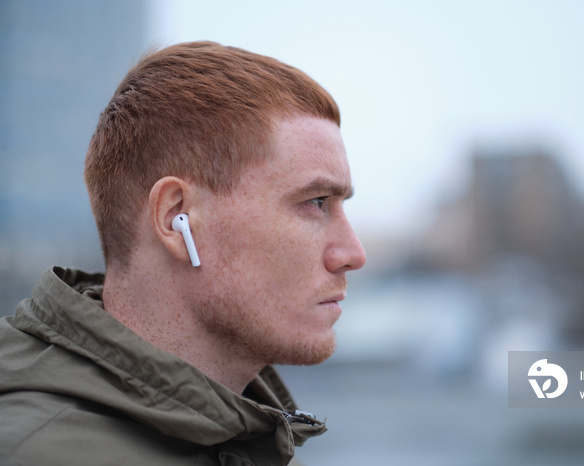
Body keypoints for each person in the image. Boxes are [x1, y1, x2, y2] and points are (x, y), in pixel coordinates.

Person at [0, 41, 366, 465]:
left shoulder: (250, 442)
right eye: (316, 202)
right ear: (178, 218)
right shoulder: (31, 452)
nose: (353, 254)